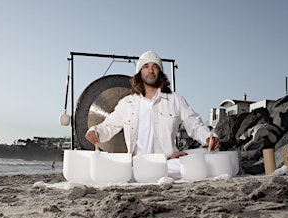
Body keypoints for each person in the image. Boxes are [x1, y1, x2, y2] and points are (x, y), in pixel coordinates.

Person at [85, 50, 220, 178]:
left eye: (155, 66)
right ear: (139, 72)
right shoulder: (127, 103)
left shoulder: (175, 99)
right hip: (137, 166)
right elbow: (109, 125)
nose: (150, 70)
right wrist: (96, 131)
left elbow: (194, 124)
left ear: (160, 72)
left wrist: (208, 137)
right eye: (146, 66)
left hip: (169, 164)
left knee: (191, 166)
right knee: (113, 172)